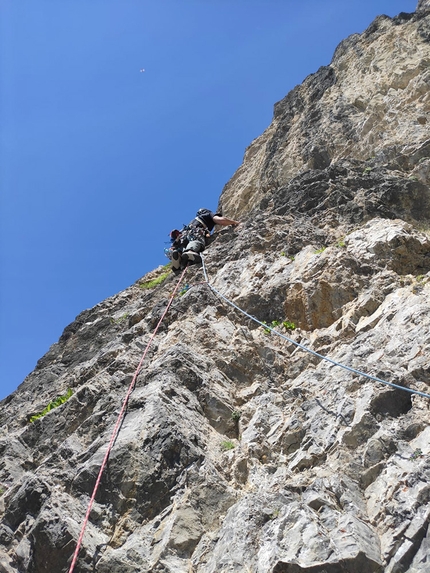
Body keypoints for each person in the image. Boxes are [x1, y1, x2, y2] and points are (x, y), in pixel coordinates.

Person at [170, 208, 240, 274]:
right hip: (195, 234)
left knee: (183, 246)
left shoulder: (193, 222)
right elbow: (220, 220)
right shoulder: (207, 215)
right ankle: (190, 251)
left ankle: (177, 260)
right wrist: (234, 222)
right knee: (196, 241)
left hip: (184, 237)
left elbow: (207, 235)